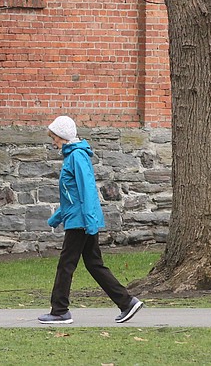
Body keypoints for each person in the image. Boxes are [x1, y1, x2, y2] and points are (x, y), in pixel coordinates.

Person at [38, 115, 143, 325]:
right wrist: (57, 218)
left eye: (54, 138)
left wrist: (89, 222)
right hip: (80, 219)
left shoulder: (76, 156)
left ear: (63, 137)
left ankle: (59, 311)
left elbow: (87, 191)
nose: (53, 142)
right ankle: (127, 302)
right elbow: (73, 196)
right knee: (94, 264)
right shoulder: (73, 156)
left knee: (66, 265)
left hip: (81, 222)